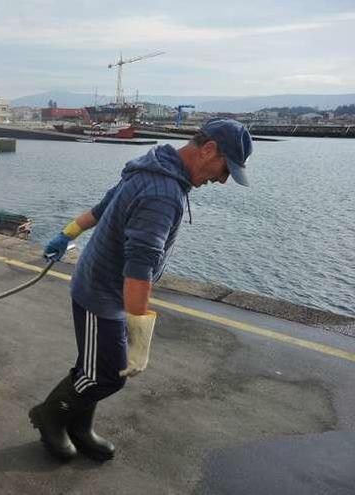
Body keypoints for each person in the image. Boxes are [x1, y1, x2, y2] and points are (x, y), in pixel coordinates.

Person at [30, 118, 253, 462]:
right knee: (108, 375)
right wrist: (139, 334)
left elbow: (103, 208)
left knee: (93, 366)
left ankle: (78, 426)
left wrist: (67, 233)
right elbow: (139, 268)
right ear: (209, 150)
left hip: (109, 292)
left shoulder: (152, 166)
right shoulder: (164, 194)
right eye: (225, 170)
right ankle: (50, 414)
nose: (221, 181)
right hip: (100, 295)